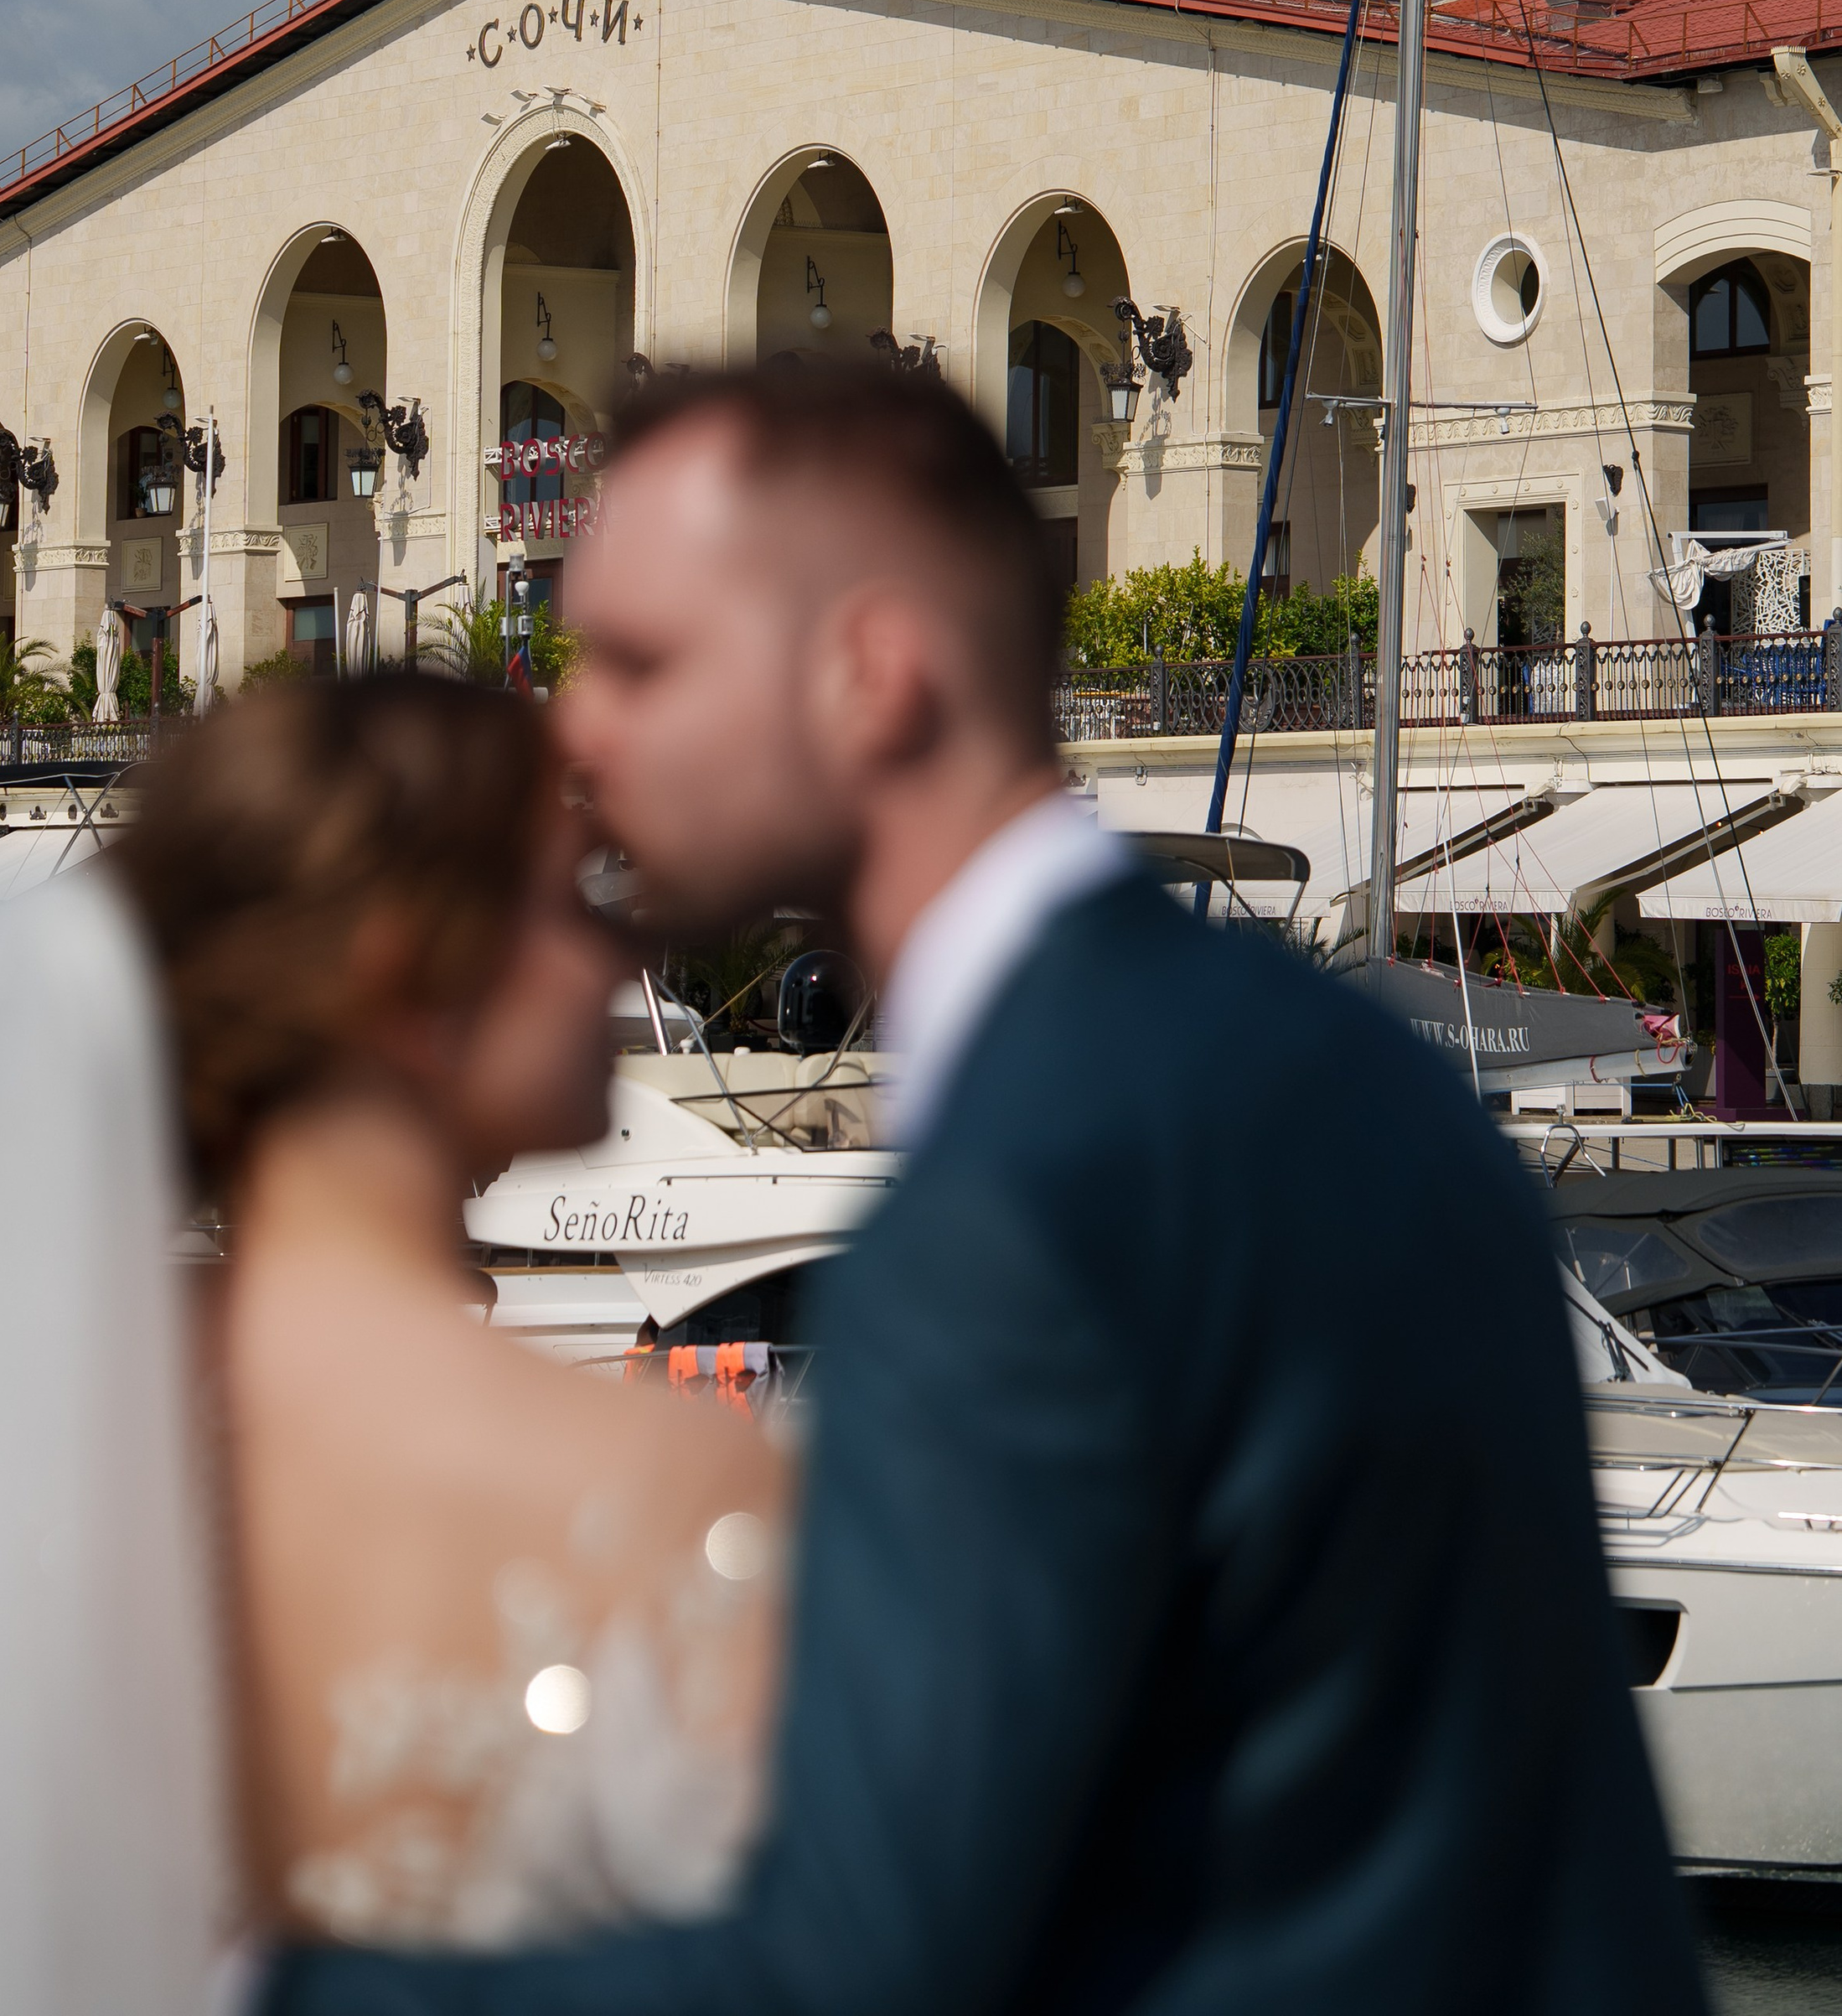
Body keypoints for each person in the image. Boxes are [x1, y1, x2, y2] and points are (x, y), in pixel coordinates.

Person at [260, 361, 1705, 2016]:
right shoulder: (1350, 1070)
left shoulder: (1022, 1202)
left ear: (871, 675)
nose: (575, 723)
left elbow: (855, 1963)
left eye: (644, 664)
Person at [0, 676, 788, 2014]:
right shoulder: (671, 1498)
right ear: (406, 970)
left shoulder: (40, 1423)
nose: (615, 951)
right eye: (564, 898)